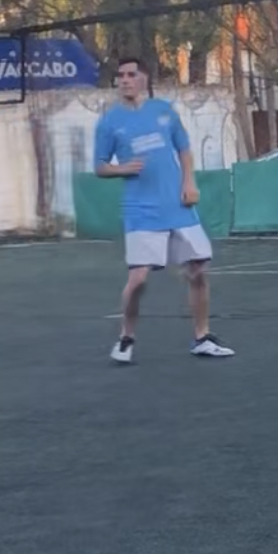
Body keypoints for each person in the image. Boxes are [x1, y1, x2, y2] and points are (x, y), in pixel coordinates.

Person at [93, 56, 236, 364]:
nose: (124, 80)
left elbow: (184, 150)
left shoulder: (164, 111)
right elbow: (100, 167)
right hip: (141, 211)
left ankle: (202, 338)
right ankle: (126, 339)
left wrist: (189, 183)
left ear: (144, 78)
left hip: (177, 207)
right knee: (139, 279)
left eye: (131, 74)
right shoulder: (109, 122)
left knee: (198, 270)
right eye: (120, 75)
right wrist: (122, 168)